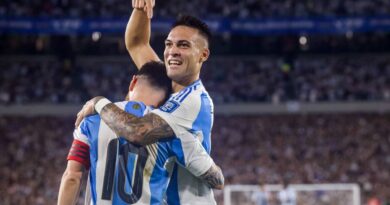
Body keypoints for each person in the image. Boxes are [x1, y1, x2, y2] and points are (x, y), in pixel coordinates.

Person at [75, 1, 222, 204]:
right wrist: (141, 8)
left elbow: (137, 132)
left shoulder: (193, 101)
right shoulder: (167, 82)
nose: (173, 51)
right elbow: (137, 43)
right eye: (169, 44)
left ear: (203, 55)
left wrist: (99, 103)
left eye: (184, 45)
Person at [58, 61, 223, 205]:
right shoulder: (170, 130)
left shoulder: (91, 121)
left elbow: (72, 177)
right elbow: (217, 180)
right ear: (167, 98)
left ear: (133, 82)